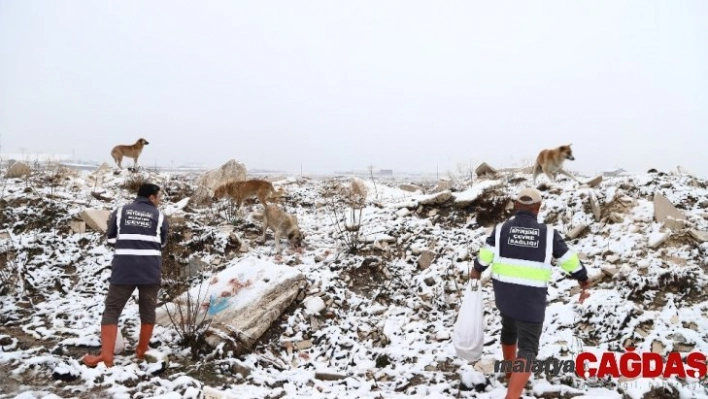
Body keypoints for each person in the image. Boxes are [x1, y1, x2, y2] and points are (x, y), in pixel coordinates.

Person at [469, 187, 591, 399]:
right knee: (528, 348)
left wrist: (476, 271)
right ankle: (512, 395)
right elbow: (568, 259)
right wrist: (582, 277)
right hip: (530, 300)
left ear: (516, 206)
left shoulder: (500, 230)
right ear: (538, 208)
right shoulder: (548, 233)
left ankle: (509, 374)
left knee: (508, 330)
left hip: (504, 295)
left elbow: (485, 256)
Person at [82, 182, 169, 368]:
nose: (160, 200)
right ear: (152, 197)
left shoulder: (120, 212)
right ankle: (142, 350)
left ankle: (106, 357)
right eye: (159, 197)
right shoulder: (160, 216)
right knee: (147, 311)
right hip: (150, 271)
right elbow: (161, 243)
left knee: (112, 310)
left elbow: (112, 239)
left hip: (124, 269)